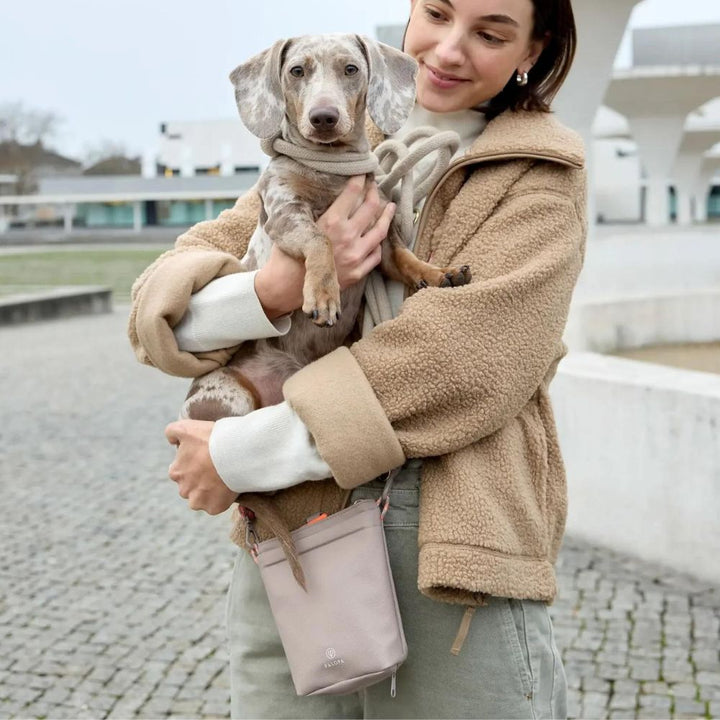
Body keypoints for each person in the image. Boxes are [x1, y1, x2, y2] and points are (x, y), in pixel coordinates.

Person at [128, 0, 586, 717]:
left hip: (451, 541)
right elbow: (166, 301)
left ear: (534, 49)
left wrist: (237, 454)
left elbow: (460, 367)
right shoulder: (326, 144)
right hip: (298, 532)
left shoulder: (538, 178)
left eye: (491, 33)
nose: (449, 48)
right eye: (436, 12)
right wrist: (273, 290)